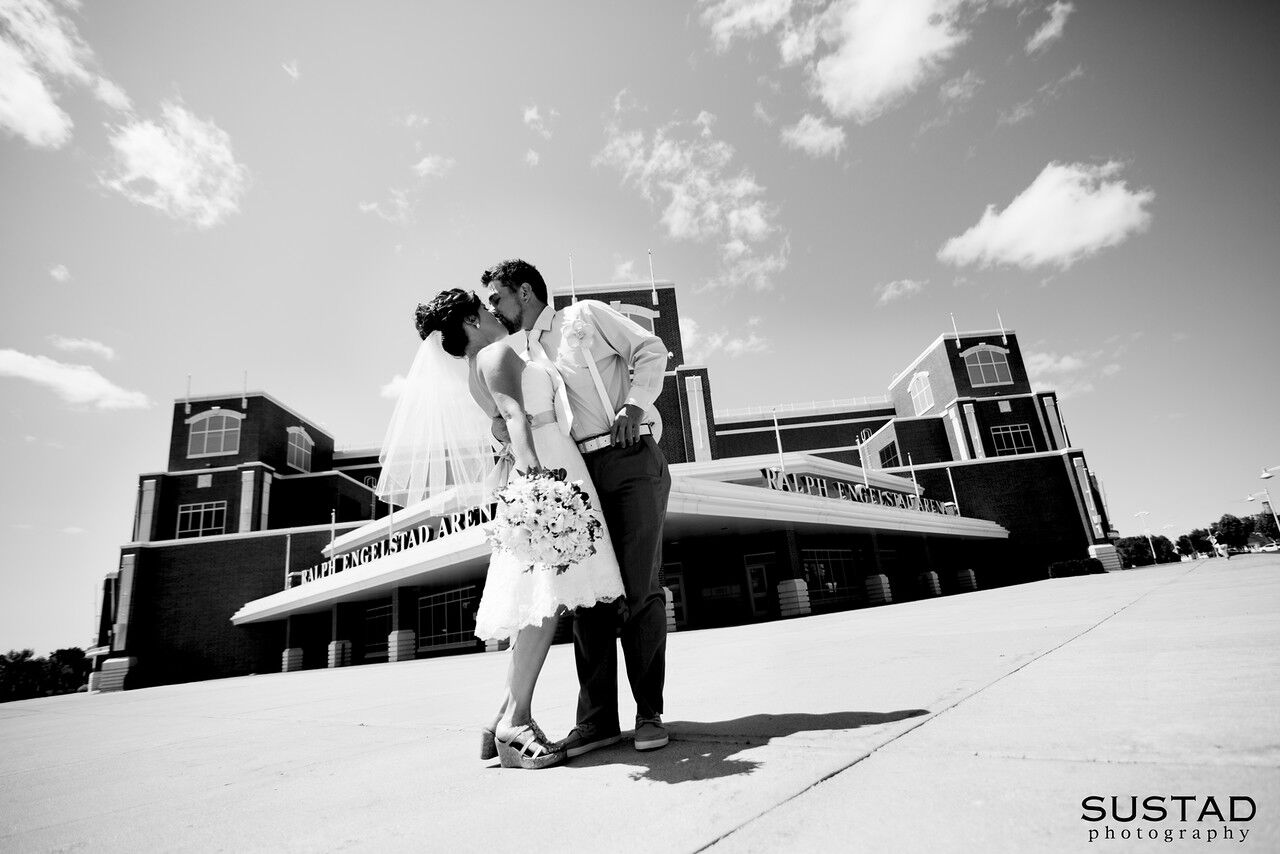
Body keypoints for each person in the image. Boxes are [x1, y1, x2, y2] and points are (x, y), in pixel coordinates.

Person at [380, 288, 624, 770]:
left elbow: (499, 423)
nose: (495, 312)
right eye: (485, 307)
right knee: (544, 600)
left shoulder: (476, 367)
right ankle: (517, 723)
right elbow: (513, 416)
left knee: (543, 597)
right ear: (471, 320)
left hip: (542, 457)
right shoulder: (494, 352)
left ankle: (498, 724)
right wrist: (538, 480)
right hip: (548, 460)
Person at [481, 259, 672, 756]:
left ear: (524, 292)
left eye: (497, 298)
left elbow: (652, 349)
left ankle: (648, 711)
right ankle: (596, 720)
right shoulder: (522, 351)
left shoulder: (582, 317)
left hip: (627, 455)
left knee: (638, 588)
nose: (493, 310)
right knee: (589, 595)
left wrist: (635, 404)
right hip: (578, 475)